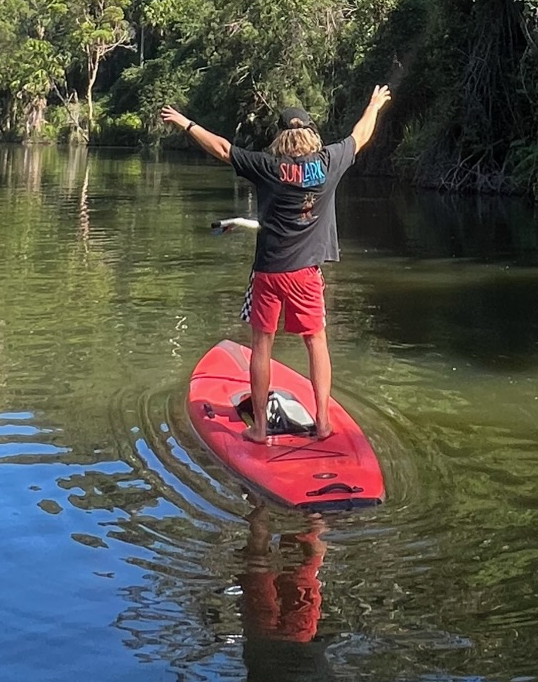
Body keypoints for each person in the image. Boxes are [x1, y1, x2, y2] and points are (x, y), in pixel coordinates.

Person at [158, 86, 391, 443]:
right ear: (311, 133)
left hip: (269, 272)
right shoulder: (329, 163)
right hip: (306, 275)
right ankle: (324, 423)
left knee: (262, 344)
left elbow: (222, 148)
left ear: (281, 136)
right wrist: (373, 104)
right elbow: (360, 135)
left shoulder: (267, 167)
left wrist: (186, 123)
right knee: (316, 342)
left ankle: (261, 430)